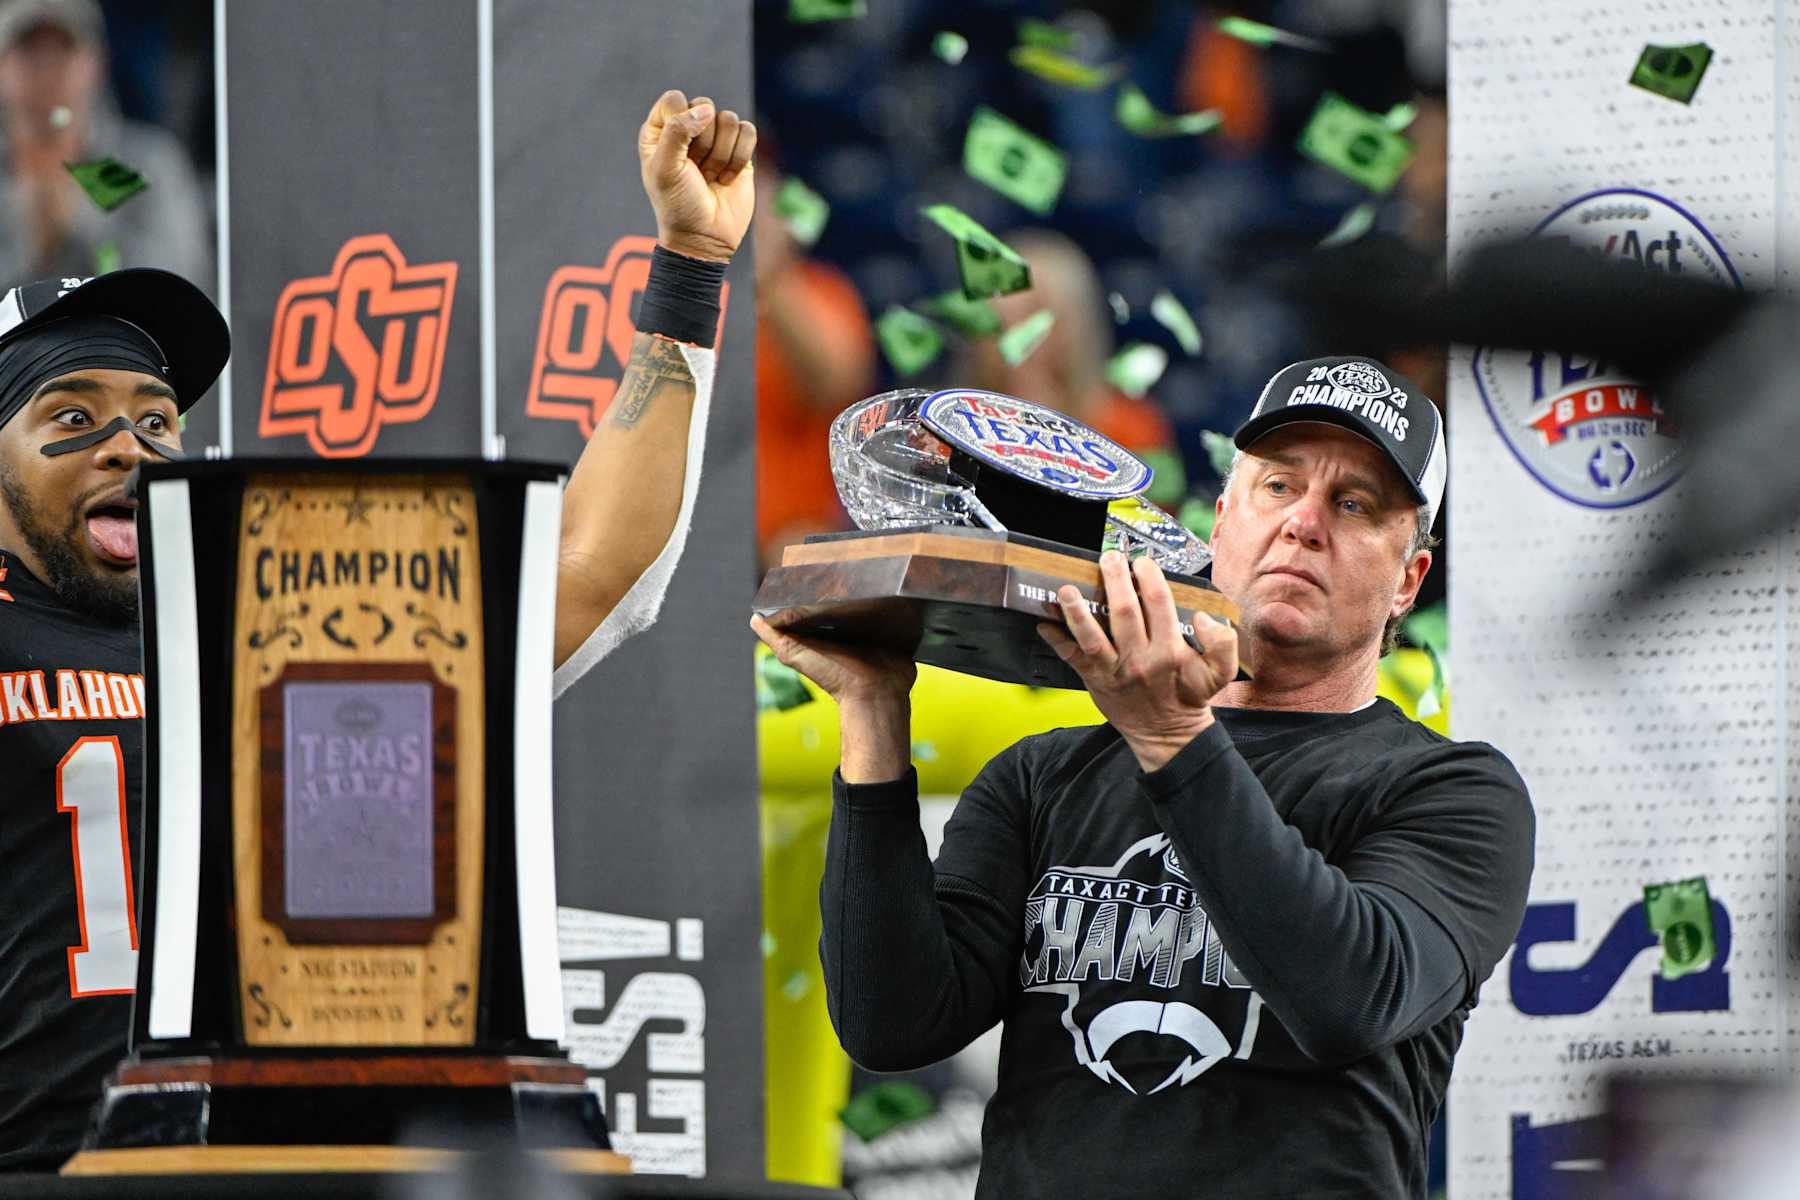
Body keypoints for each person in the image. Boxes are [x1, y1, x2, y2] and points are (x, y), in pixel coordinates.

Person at [0, 85, 756, 1172]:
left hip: (290, 1168)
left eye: (158, 419)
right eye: (69, 418)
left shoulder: (279, 631)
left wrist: (688, 264)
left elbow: (596, 569)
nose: (130, 445)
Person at [754, 356, 1535, 1198]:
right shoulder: (1045, 775)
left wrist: (1171, 736)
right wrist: (873, 715)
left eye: (1355, 504)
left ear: (1407, 582)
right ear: (1222, 522)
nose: (1305, 522)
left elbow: (1349, 996)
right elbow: (891, 1025)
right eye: (1279, 487)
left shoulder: (1455, 792)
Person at [0, 0, 209, 285]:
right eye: (29, 52)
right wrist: (31, 243)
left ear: (95, 63)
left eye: (63, 50)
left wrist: (79, 228)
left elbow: (178, 287)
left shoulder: (144, 165)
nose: (47, 72)